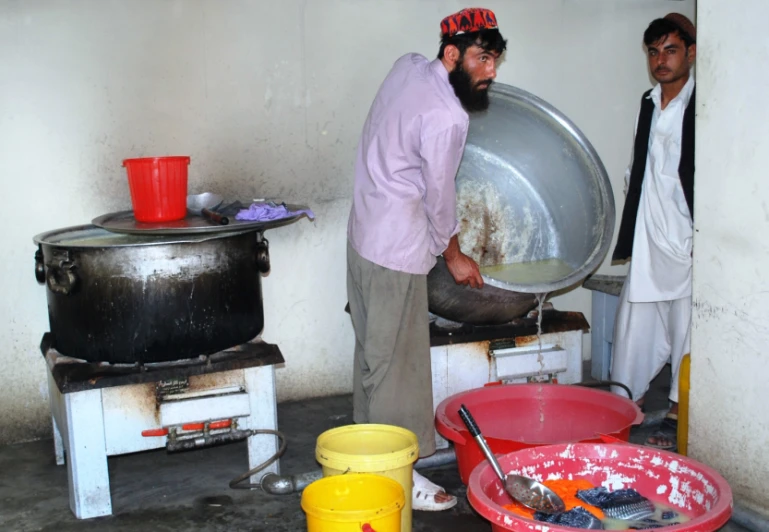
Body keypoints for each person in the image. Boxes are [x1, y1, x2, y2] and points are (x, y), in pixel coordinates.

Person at [346, 8, 507, 511]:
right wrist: (454, 255)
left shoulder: (407, 66)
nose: (491, 73)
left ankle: (365, 456)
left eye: (496, 60)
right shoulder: (448, 116)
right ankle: (399, 478)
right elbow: (439, 199)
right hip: (396, 248)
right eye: (482, 59)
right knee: (400, 369)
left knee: (373, 357)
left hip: (362, 234)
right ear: (453, 54)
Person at [610, 13, 697, 451]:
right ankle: (627, 405)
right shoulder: (649, 102)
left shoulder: (703, 104)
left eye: (670, 50)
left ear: (691, 53)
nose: (660, 60)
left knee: (688, 327)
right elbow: (638, 169)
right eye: (653, 52)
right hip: (649, 235)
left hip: (687, 240)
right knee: (634, 324)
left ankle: (680, 417)